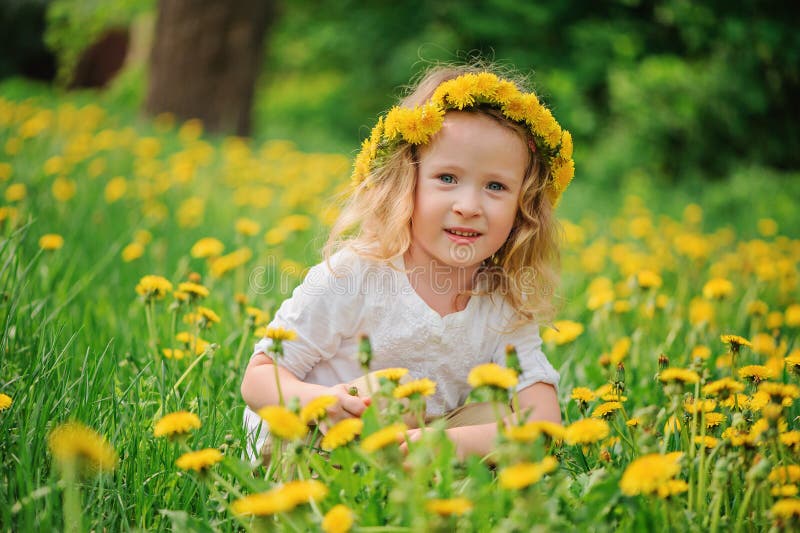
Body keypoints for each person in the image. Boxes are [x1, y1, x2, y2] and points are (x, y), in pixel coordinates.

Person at [241, 63, 575, 460]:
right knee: (376, 400)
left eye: (496, 186)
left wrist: (442, 444)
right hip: (313, 441)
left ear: (523, 207)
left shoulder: (503, 303)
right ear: (408, 183)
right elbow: (259, 379)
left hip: (413, 445)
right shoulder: (356, 274)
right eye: (447, 178)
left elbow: (545, 423)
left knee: (506, 421)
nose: (468, 206)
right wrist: (317, 401)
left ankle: (419, 489)